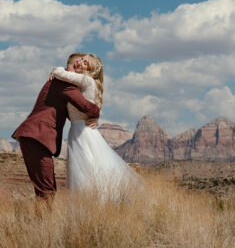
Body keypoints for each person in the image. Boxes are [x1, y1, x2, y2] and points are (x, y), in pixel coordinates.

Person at [50, 53, 141, 200]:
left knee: (85, 169)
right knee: (85, 168)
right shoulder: (83, 84)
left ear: (90, 69)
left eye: (85, 62)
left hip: (81, 132)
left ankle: (92, 202)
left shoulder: (86, 80)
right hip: (78, 130)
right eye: (80, 60)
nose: (79, 62)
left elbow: (60, 73)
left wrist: (56, 69)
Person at [12, 53, 101, 200]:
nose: (77, 66)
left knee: (46, 188)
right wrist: (96, 114)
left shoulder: (61, 83)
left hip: (36, 137)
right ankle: (43, 222)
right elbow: (86, 106)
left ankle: (42, 221)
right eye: (75, 64)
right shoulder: (63, 84)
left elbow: (74, 112)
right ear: (68, 67)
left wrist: (91, 118)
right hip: (37, 136)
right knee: (46, 189)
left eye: (82, 63)